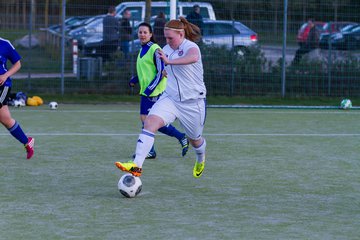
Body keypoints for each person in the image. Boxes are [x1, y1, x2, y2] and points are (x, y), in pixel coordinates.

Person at [115, 17, 206, 178]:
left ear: (181, 34)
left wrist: (170, 62)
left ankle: (200, 158)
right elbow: (167, 70)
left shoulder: (191, 47)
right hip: (170, 99)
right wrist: (165, 71)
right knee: (149, 122)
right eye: (166, 37)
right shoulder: (165, 49)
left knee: (195, 141)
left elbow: (193, 58)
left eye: (171, 37)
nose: (167, 40)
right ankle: (136, 166)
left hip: (193, 103)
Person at [128, 22, 189, 159]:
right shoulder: (142, 49)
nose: (142, 35)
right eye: (140, 32)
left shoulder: (155, 49)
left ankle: (175, 139)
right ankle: (178, 138)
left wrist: (150, 89)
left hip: (155, 91)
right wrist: (135, 79)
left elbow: (161, 72)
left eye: (145, 32)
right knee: (148, 121)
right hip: (147, 91)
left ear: (150, 34)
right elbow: (147, 71)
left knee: (149, 121)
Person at [0, 37, 35, 159]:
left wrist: (5, 75)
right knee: (5, 119)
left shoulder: (5, 44)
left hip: (2, 86)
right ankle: (27, 142)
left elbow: (18, 63)